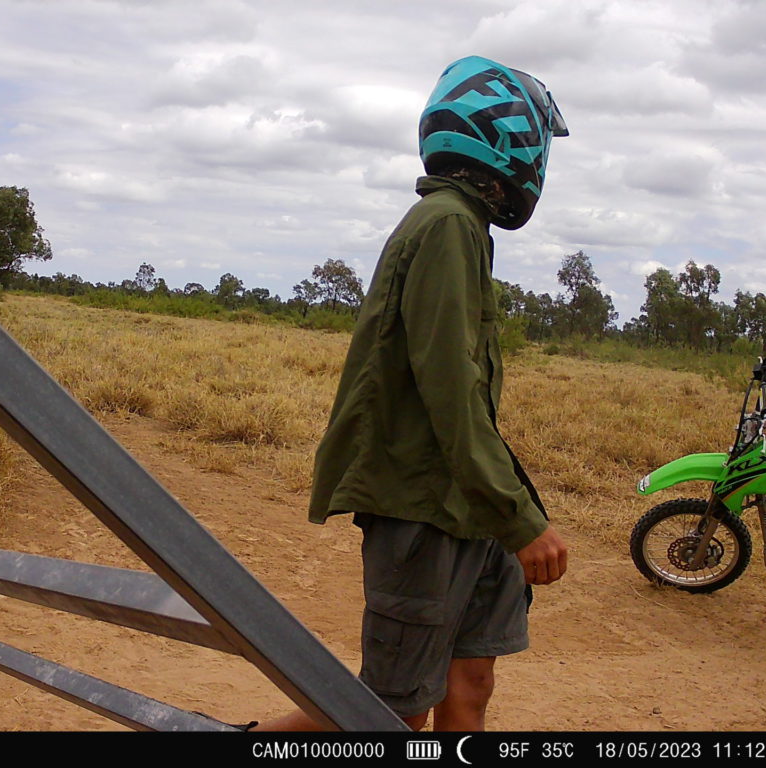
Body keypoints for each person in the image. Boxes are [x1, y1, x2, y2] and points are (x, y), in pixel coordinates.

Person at [256, 56, 569, 732]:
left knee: (469, 681)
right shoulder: (448, 226)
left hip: (463, 506)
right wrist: (521, 519)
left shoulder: (463, 228)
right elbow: (451, 396)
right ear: (508, 138)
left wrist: (499, 509)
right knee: (391, 709)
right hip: (425, 507)